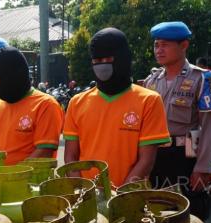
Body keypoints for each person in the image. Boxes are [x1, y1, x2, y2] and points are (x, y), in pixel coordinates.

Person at [63, 28, 170, 187]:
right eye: (96, 62)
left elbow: (146, 160)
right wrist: (83, 190)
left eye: (108, 59)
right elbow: (71, 156)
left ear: (123, 59)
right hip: (87, 197)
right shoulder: (77, 102)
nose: (101, 66)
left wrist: (121, 194)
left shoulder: (149, 101)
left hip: (130, 197)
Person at [143, 21, 211, 221]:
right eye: (156, 45)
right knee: (154, 212)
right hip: (154, 157)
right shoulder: (151, 81)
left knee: (188, 215)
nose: (159, 50)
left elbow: (209, 126)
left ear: (184, 45)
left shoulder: (203, 78)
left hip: (184, 158)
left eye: (165, 45)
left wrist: (203, 167)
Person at [0, 46, 63, 165]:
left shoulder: (45, 105)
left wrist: (11, 175)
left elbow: (44, 152)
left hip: (28, 181)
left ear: (14, 76)